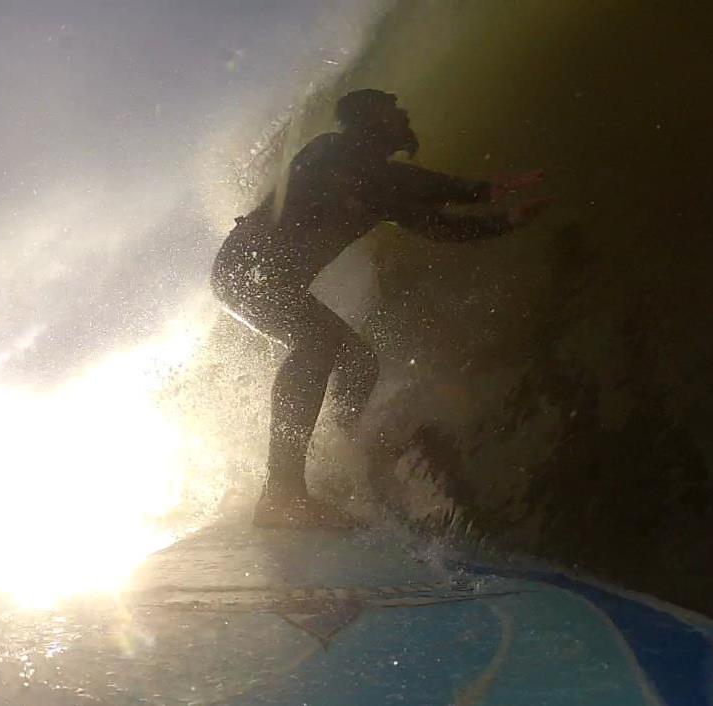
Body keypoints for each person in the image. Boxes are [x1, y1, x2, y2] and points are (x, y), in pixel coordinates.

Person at [211, 88, 549, 527]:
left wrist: (505, 221)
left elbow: (438, 227)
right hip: (247, 267)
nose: (403, 113)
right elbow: (396, 183)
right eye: (391, 110)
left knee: (359, 362)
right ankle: (282, 494)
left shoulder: (379, 187)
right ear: (365, 119)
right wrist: (480, 189)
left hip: (263, 276)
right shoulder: (331, 152)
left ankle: (332, 466)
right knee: (318, 341)